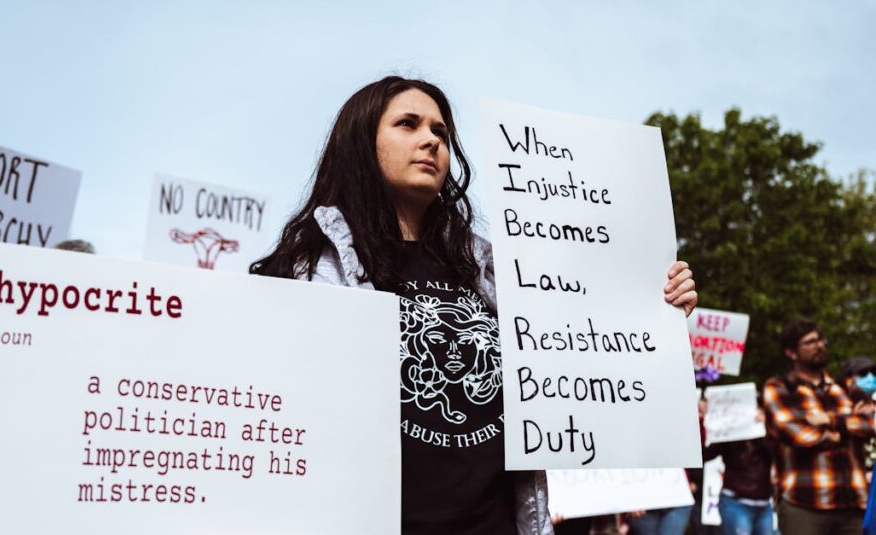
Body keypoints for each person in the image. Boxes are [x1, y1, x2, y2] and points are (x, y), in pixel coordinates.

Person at [251, 76, 699, 534]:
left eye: (441, 133)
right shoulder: (309, 274)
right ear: (361, 144)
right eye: (408, 124)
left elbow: (581, 364)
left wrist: (655, 310)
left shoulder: (493, 271)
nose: (430, 140)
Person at [764, 319, 874, 534]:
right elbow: (798, 436)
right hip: (805, 504)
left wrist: (831, 421)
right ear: (791, 352)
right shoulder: (780, 388)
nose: (820, 345)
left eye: (821, 340)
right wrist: (848, 429)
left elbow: (871, 424)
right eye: (810, 342)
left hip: (854, 502)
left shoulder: (844, 388)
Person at [702, 398, 776, 535]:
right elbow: (703, 455)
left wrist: (766, 427)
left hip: (764, 504)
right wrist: (705, 422)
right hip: (735, 503)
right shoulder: (731, 436)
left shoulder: (768, 435)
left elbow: (778, 453)